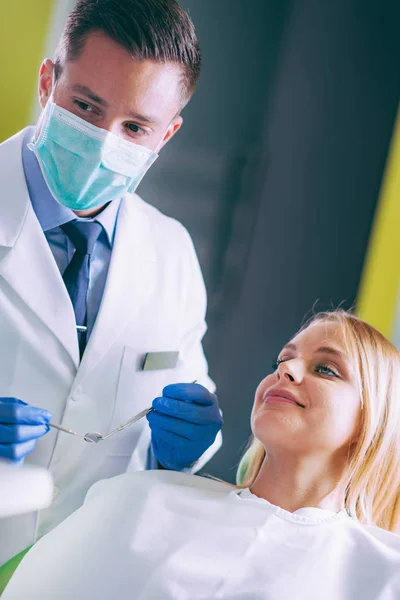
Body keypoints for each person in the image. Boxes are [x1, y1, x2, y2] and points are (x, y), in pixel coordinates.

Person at [0, 0, 223, 566]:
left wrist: (184, 450)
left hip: (79, 571)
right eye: (86, 106)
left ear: (166, 134)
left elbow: (176, 407)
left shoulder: (171, 255)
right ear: (49, 82)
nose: (104, 140)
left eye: (135, 127)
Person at [3, 310, 400, 600]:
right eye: (282, 360)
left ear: (376, 419)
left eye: (327, 369)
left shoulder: (384, 573)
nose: (288, 369)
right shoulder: (139, 498)